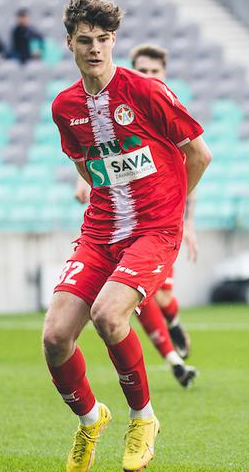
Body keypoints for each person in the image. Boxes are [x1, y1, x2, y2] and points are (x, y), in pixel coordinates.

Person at [44, 0, 211, 472]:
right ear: (70, 45)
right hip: (99, 232)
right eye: (84, 40)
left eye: (103, 39)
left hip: (154, 230)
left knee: (109, 316)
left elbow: (199, 155)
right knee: (55, 337)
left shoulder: (148, 92)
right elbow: (84, 164)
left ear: (113, 41)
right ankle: (91, 418)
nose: (94, 48)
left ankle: (144, 418)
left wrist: (175, 213)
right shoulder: (64, 107)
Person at [74, 43, 199, 388]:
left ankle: (172, 328)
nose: (147, 77)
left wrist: (185, 218)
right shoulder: (120, 102)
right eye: (141, 70)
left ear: (164, 74)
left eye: (154, 72)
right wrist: (84, 181)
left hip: (160, 225)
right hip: (124, 224)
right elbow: (99, 150)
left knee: (156, 298)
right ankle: (173, 360)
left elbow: (192, 161)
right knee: (130, 300)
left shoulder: (163, 106)